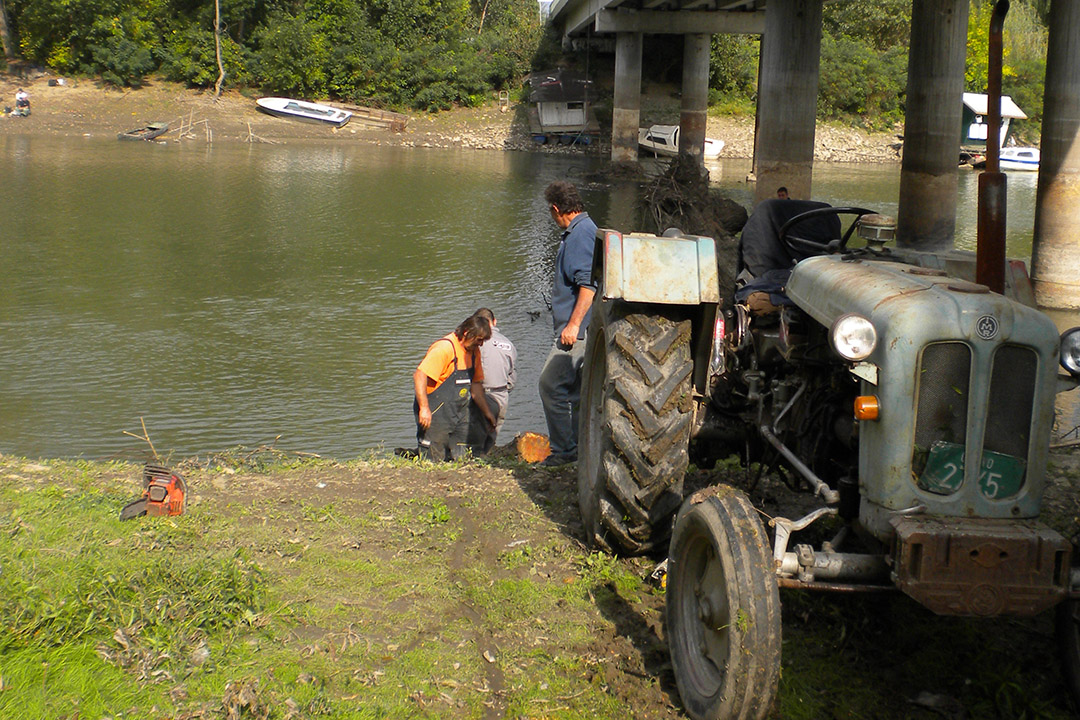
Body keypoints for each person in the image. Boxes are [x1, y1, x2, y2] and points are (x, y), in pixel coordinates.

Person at [538, 180, 598, 467]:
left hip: (577, 332)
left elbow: (588, 285)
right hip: (582, 329)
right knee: (575, 392)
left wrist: (573, 325)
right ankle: (577, 450)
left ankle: (564, 451)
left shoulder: (580, 235)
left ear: (556, 209)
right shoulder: (585, 229)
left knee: (550, 385)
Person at [413, 315, 497, 461]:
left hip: (458, 412)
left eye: (483, 340)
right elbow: (419, 376)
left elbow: (476, 386)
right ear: (466, 333)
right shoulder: (444, 348)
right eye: (479, 339)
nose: (481, 344)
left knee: (462, 453)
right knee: (433, 458)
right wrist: (424, 408)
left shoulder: (474, 352)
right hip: (435, 413)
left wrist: (487, 413)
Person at [466, 308, 517, 455]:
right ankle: (486, 459)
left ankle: (475, 461)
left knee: (474, 441)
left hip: (482, 395)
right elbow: (512, 376)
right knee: (492, 434)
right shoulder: (508, 344)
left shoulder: (477, 342)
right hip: (502, 396)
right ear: (494, 322)